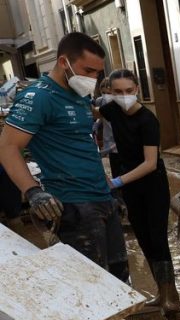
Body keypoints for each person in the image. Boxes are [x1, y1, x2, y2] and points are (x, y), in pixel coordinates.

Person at [0, 33, 129, 281]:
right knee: (92, 283)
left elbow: (84, 144)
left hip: (101, 197)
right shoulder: (38, 97)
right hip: (74, 204)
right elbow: (7, 147)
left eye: (97, 73)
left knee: (119, 278)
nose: (93, 78)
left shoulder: (80, 96)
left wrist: (110, 189)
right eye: (88, 71)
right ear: (63, 62)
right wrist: (33, 191)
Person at [97, 69, 180, 313]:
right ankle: (160, 291)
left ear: (137, 90)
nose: (124, 96)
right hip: (131, 188)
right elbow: (91, 110)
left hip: (152, 183)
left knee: (157, 238)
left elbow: (150, 162)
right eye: (118, 92)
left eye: (129, 91)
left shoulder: (147, 120)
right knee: (143, 237)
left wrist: (117, 182)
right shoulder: (111, 110)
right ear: (110, 92)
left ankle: (172, 295)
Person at [92, 78, 119, 174]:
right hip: (109, 138)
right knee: (115, 169)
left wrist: (105, 151)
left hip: (120, 144)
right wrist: (97, 124)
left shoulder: (121, 105)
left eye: (109, 93)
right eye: (103, 93)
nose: (106, 96)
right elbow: (101, 115)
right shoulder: (100, 101)